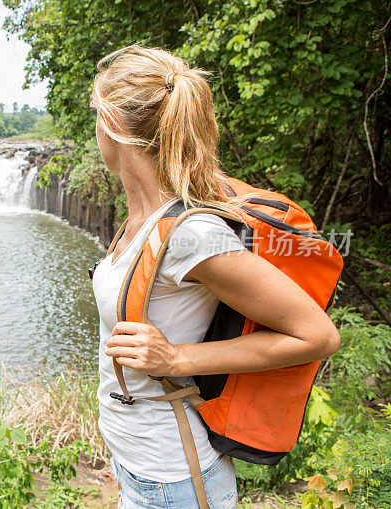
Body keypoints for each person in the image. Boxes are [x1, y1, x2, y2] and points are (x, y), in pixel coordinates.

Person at [88, 44, 341, 508]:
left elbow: (318, 336)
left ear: (114, 125)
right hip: (137, 469)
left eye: (95, 118)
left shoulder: (193, 235)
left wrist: (176, 360)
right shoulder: (143, 218)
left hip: (174, 482)